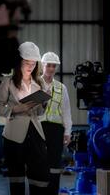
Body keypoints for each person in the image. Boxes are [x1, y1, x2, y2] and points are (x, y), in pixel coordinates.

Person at [0, 42, 49, 195]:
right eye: (27, 63)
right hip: (14, 135)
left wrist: (43, 104)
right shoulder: (8, 82)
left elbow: (38, 113)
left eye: (33, 63)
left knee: (40, 174)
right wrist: (16, 109)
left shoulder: (39, 83)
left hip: (35, 132)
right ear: (19, 62)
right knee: (16, 176)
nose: (30, 66)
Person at [40, 52, 73, 194]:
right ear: (43, 66)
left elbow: (66, 111)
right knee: (39, 161)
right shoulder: (34, 85)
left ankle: (53, 191)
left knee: (55, 163)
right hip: (38, 128)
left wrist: (67, 132)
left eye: (54, 66)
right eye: (48, 65)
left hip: (56, 130)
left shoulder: (61, 88)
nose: (51, 69)